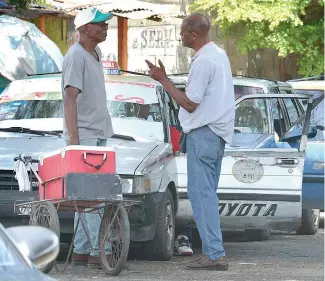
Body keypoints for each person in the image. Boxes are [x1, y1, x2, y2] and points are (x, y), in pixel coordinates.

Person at [145, 13, 235, 270]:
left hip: (204, 133)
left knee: (201, 195)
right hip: (216, 134)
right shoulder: (218, 53)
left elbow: (190, 103)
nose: (181, 36)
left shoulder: (204, 61)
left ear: (194, 34)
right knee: (206, 194)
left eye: (183, 32)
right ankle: (212, 250)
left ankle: (215, 254)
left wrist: (163, 80)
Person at [61, 7, 114, 268]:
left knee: (89, 197)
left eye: (106, 25)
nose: (105, 28)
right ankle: (97, 250)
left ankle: (82, 250)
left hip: (99, 131)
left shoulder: (96, 53)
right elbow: (70, 98)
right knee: (92, 197)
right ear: (84, 28)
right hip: (84, 136)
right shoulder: (76, 57)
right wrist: (74, 140)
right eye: (100, 24)